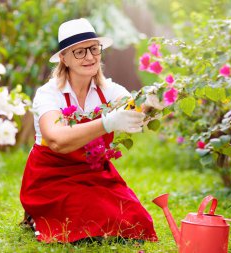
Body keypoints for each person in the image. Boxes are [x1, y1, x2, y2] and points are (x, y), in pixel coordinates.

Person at [20, 18, 158, 244]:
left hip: (94, 172)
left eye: (94, 49)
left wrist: (151, 102)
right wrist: (107, 123)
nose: (90, 57)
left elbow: (134, 109)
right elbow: (55, 140)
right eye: (80, 52)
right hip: (53, 176)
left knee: (136, 221)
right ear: (64, 58)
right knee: (82, 222)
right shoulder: (49, 94)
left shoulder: (110, 90)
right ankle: (38, 214)